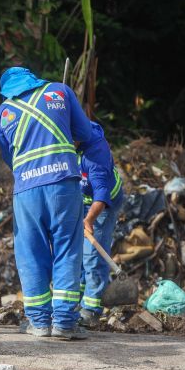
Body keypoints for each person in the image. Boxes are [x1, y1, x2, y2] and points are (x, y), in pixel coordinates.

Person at [0, 66, 100, 340]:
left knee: (30, 254)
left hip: (27, 189)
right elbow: (86, 133)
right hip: (63, 183)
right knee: (67, 249)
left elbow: (10, 157)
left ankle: (39, 323)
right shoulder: (59, 91)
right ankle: (64, 323)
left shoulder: (3, 112)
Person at [77, 122, 125, 327]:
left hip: (103, 206)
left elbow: (101, 196)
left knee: (92, 255)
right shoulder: (63, 140)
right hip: (79, 200)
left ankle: (91, 309)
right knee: (76, 254)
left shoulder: (96, 154)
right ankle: (74, 303)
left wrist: (89, 220)